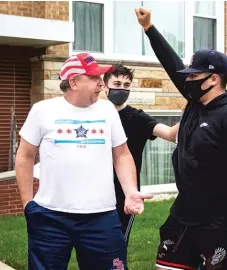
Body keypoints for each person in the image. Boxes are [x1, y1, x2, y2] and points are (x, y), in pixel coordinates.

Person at [136, 7, 227, 270]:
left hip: (219, 222)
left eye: (195, 76)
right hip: (183, 214)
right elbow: (172, 65)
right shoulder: (196, 103)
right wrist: (149, 29)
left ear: (214, 79)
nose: (189, 80)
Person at [16, 53, 152, 270]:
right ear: (74, 82)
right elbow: (25, 155)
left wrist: (130, 191)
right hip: (50, 217)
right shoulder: (43, 110)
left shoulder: (107, 110)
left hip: (102, 217)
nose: (101, 83)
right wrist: (28, 204)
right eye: (94, 78)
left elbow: (122, 154)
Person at [100, 64, 179, 246]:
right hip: (96, 190)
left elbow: (169, 133)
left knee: (117, 247)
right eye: (117, 84)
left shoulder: (137, 118)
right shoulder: (96, 115)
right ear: (104, 86)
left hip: (124, 194)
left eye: (126, 86)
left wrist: (193, 111)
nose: (121, 89)